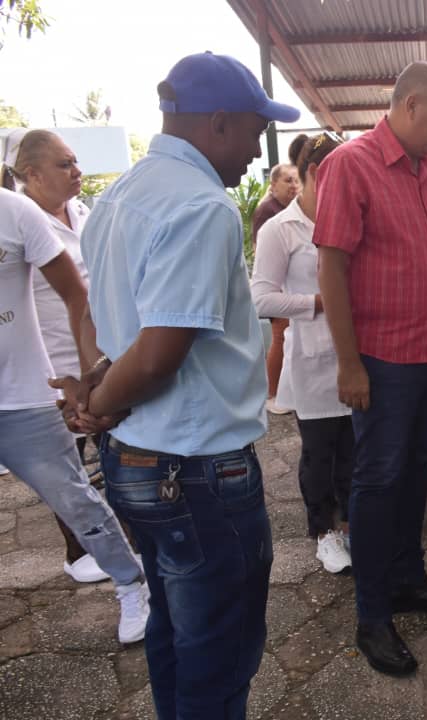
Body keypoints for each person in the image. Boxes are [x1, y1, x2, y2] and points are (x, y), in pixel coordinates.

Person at [59, 52, 300, 719]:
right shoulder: (201, 205)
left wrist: (97, 392)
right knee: (219, 654)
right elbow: (158, 354)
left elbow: (101, 318)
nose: (256, 151)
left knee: (174, 628)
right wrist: (98, 406)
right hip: (195, 471)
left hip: (140, 461)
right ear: (218, 122)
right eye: (254, 131)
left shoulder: (121, 195)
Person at [315, 60, 427, 677]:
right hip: (382, 361)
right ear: (410, 106)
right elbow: (332, 269)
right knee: (378, 481)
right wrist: (349, 363)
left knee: (416, 471)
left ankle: (408, 580)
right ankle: (372, 615)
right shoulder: (350, 165)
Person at [0, 186, 149, 644]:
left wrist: (88, 375)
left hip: (22, 395)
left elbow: (76, 296)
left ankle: (131, 585)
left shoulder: (13, 211)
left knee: (75, 499)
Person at [6, 127, 116, 584]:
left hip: (101, 354)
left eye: (75, 161)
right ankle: (77, 552)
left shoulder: (84, 212)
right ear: (32, 175)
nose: (77, 171)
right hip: (54, 363)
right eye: (64, 164)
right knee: (65, 466)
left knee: (109, 449)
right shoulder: (18, 221)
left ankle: (117, 536)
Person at [251, 132, 353, 575]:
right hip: (312, 356)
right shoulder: (280, 229)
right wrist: (320, 302)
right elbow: (261, 298)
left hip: (356, 351)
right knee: (319, 452)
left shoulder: (350, 219)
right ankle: (324, 532)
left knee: (354, 449)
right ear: (314, 172)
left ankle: (351, 524)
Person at [252, 162, 301, 416]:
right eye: (288, 181)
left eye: (296, 180)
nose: (294, 186)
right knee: (280, 336)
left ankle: (282, 392)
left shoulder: (284, 208)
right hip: (276, 287)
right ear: (273, 185)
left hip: (286, 286)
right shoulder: (268, 212)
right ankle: (272, 394)